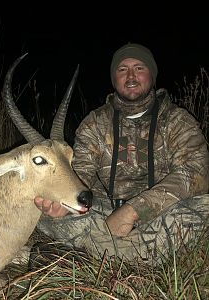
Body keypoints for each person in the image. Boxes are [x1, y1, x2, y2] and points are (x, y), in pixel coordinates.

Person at [34, 43, 209, 261]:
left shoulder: (178, 121)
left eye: (139, 68)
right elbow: (80, 173)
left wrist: (133, 210)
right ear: (114, 78)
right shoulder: (94, 123)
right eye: (122, 69)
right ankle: (132, 256)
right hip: (104, 212)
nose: (131, 76)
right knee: (44, 213)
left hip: (163, 213)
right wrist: (65, 202)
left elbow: (196, 173)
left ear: (152, 76)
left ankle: (90, 256)